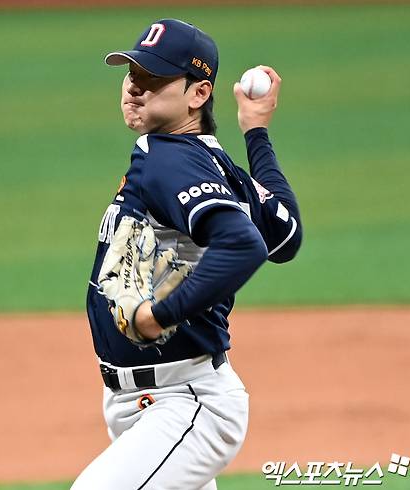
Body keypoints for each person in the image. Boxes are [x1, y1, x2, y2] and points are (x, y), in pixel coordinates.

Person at [71, 18, 302, 490]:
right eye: (132, 73)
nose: (135, 88)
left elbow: (245, 245)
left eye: (153, 80)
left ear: (198, 94)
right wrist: (256, 132)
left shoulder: (166, 157)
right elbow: (287, 233)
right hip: (153, 403)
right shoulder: (216, 165)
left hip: (185, 403)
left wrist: (161, 314)